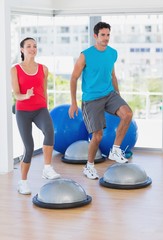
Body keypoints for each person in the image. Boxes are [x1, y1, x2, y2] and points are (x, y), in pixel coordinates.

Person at [68, 22, 133, 180]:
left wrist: (118, 95)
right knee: (97, 136)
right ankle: (89, 166)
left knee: (128, 114)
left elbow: (112, 75)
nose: (106, 38)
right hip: (91, 98)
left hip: (109, 94)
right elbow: (74, 78)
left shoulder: (112, 53)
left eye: (108, 35)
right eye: (103, 35)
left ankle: (115, 149)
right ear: (95, 36)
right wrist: (74, 102)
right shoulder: (86, 55)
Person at [11, 37, 61, 195]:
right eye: (28, 46)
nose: (32, 49)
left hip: (40, 109)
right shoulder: (15, 70)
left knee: (49, 131)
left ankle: (47, 168)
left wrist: (44, 105)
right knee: (29, 147)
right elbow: (17, 94)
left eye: (34, 46)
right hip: (23, 111)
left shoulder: (43, 69)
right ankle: (23, 181)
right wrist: (26, 96)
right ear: (22, 49)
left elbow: (44, 90)